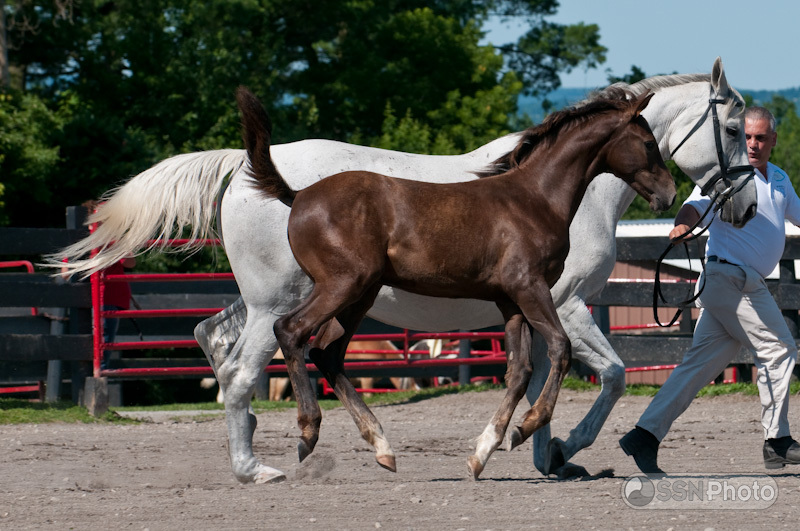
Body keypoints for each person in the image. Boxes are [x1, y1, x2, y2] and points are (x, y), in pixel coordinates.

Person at [619, 106, 800, 474]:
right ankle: (777, 441)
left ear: (773, 140)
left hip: (737, 285)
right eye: (746, 137)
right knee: (779, 349)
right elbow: (694, 206)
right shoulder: (725, 175)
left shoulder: (780, 179)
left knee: (698, 366)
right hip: (732, 280)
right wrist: (682, 226)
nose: (752, 144)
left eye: (760, 137)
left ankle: (644, 435)